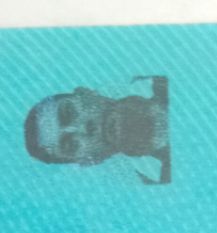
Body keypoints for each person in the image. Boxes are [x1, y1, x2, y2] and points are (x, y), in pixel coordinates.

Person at [24, 77, 171, 183]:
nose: (84, 128)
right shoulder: (160, 179)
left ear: (86, 93)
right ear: (92, 160)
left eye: (69, 112)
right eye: (71, 145)